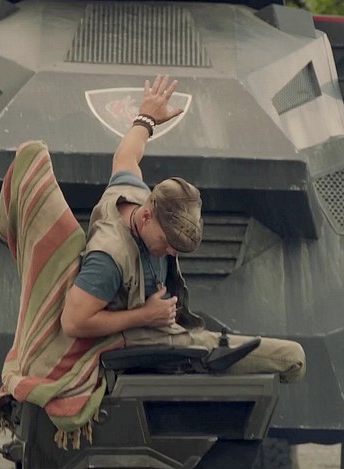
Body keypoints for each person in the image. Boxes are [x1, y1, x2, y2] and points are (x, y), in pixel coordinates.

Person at [60, 75, 305, 383]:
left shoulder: (131, 194)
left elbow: (126, 156)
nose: (171, 251)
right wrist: (145, 315)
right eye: (168, 242)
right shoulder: (109, 257)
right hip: (144, 343)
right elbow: (73, 322)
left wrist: (146, 118)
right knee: (293, 358)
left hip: (161, 327)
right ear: (147, 216)